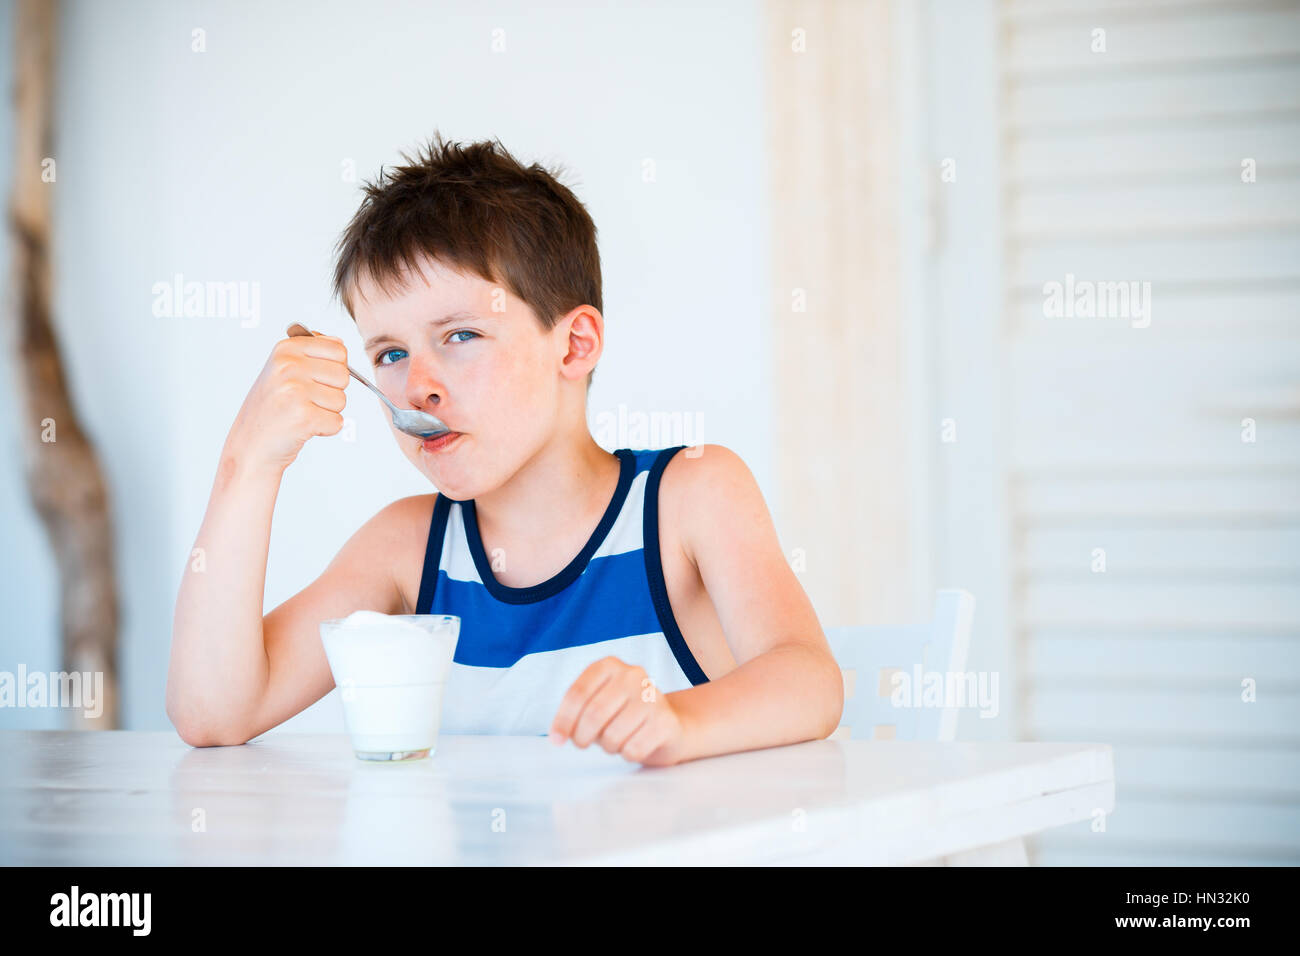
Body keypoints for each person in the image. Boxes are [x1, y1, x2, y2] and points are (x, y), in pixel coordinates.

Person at [166, 134, 843, 766]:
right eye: (391, 353)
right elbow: (214, 714)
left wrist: (678, 720)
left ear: (573, 345)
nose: (418, 386)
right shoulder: (406, 549)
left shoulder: (689, 499)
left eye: (460, 336)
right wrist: (248, 461)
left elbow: (809, 680)